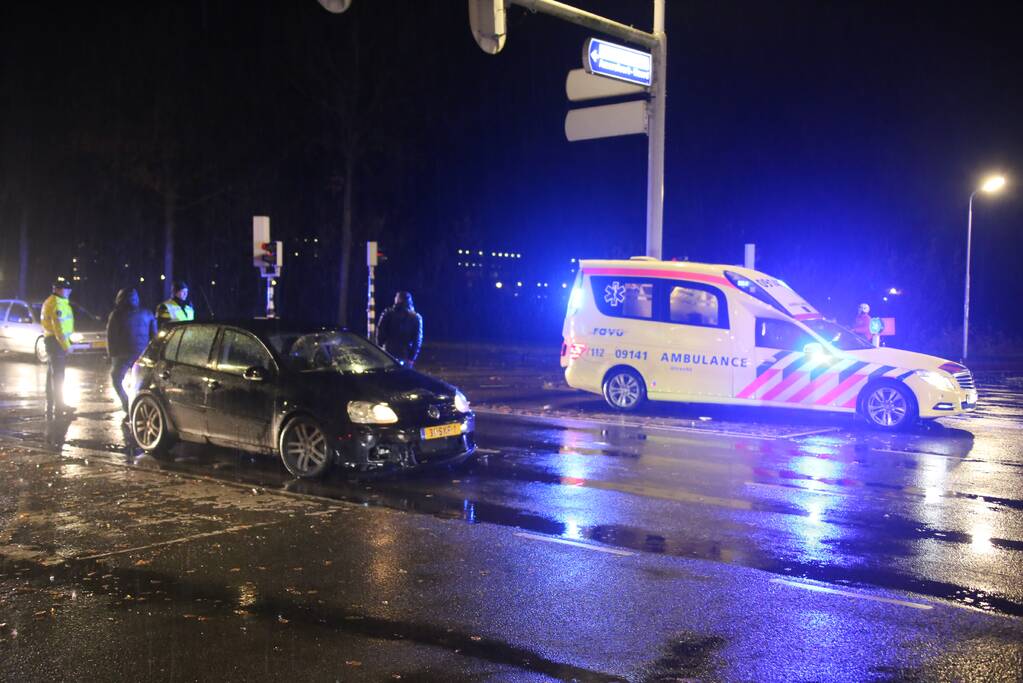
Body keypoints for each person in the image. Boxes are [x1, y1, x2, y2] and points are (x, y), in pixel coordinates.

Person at [106, 287, 157, 416]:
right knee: (143, 382)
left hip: (122, 355)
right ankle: (142, 406)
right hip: (142, 354)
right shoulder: (147, 313)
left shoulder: (115, 314)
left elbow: (110, 336)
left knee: (116, 379)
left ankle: (126, 402)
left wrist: (111, 354)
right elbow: (154, 336)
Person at [41, 276, 75, 418]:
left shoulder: (51, 301)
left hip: (51, 342)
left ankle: (51, 404)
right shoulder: (58, 304)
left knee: (52, 376)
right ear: (59, 289)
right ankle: (59, 406)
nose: (69, 291)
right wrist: (66, 345)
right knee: (59, 376)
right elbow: (59, 328)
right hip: (56, 344)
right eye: (66, 288)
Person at [376, 291, 423, 367]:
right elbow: (417, 340)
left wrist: (380, 348)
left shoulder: (388, 313)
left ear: (398, 299)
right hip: (406, 354)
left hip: (388, 353)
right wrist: (412, 358)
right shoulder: (416, 317)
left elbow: (380, 333)